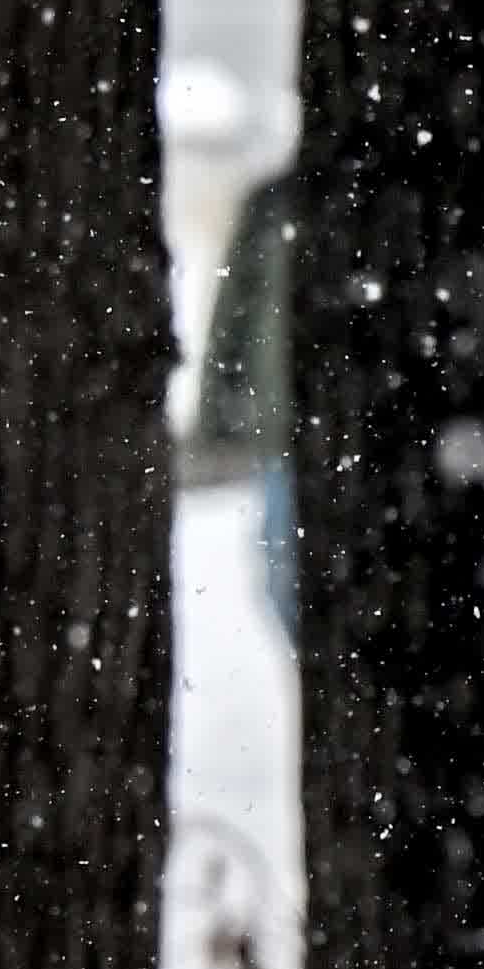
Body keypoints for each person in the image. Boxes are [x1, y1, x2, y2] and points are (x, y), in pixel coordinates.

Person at [193, 154, 301, 643]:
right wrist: (213, 416)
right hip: (285, 430)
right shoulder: (273, 203)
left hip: (330, 432)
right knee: (282, 575)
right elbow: (231, 314)